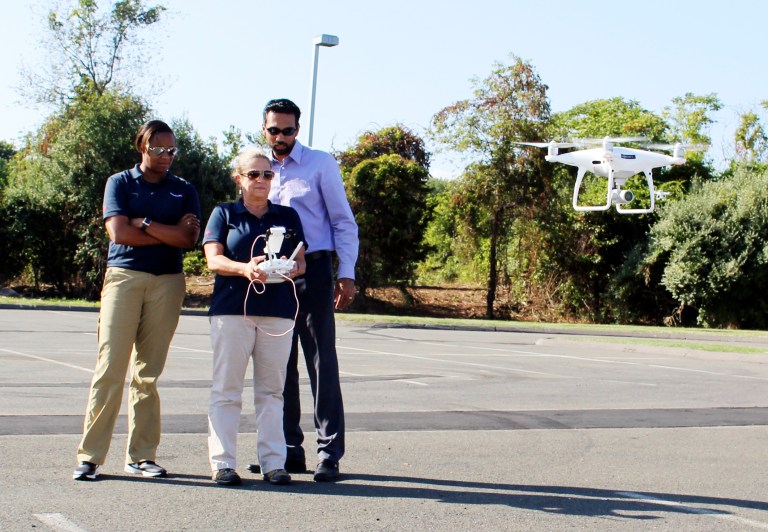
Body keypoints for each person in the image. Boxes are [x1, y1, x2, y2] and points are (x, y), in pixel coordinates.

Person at [73, 120, 201, 481]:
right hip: (124, 278)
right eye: (159, 150)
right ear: (142, 147)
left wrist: (143, 223)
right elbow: (118, 232)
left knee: (148, 374)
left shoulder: (184, 189)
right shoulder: (120, 182)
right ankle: (90, 456)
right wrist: (167, 232)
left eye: (172, 150)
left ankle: (142, 457)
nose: (166, 157)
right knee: (110, 369)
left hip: (168, 282)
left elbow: (187, 240)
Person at [258, 98, 358, 482]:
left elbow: (343, 223)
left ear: (297, 130)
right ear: (264, 128)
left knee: (321, 362)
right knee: (278, 364)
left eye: (288, 130)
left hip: (312, 272)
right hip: (271, 277)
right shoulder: (258, 168)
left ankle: (329, 452)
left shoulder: (320, 164)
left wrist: (345, 273)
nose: (281, 136)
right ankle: (286, 450)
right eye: (274, 130)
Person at [203, 147, 306, 486]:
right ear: (239, 179)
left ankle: (273, 463)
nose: (261, 180)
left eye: (267, 175)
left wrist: (288, 268)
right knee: (227, 389)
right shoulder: (224, 213)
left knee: (272, 392)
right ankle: (223, 463)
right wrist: (245, 268)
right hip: (232, 312)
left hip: (278, 313)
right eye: (254, 174)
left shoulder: (287, 217)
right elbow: (214, 260)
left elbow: (301, 261)